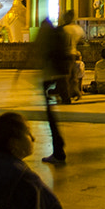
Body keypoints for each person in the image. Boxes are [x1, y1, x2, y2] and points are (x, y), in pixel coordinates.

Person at [32, 14, 69, 161]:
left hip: (48, 76)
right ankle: (58, 145)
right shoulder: (57, 34)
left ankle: (58, 148)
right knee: (51, 114)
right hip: (58, 74)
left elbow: (36, 53)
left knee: (50, 115)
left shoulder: (44, 36)